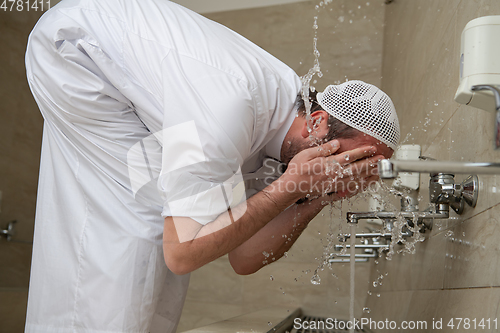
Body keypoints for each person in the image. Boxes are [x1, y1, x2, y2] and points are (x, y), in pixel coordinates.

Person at [24, 0, 400, 332]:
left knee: (168, 224)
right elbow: (183, 253)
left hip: (126, 76)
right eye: (357, 158)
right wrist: (292, 187)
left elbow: (244, 256)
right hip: (75, 52)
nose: (355, 174)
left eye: (366, 168)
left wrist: (317, 195)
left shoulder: (281, 140)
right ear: (318, 122)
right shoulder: (227, 114)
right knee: (142, 226)